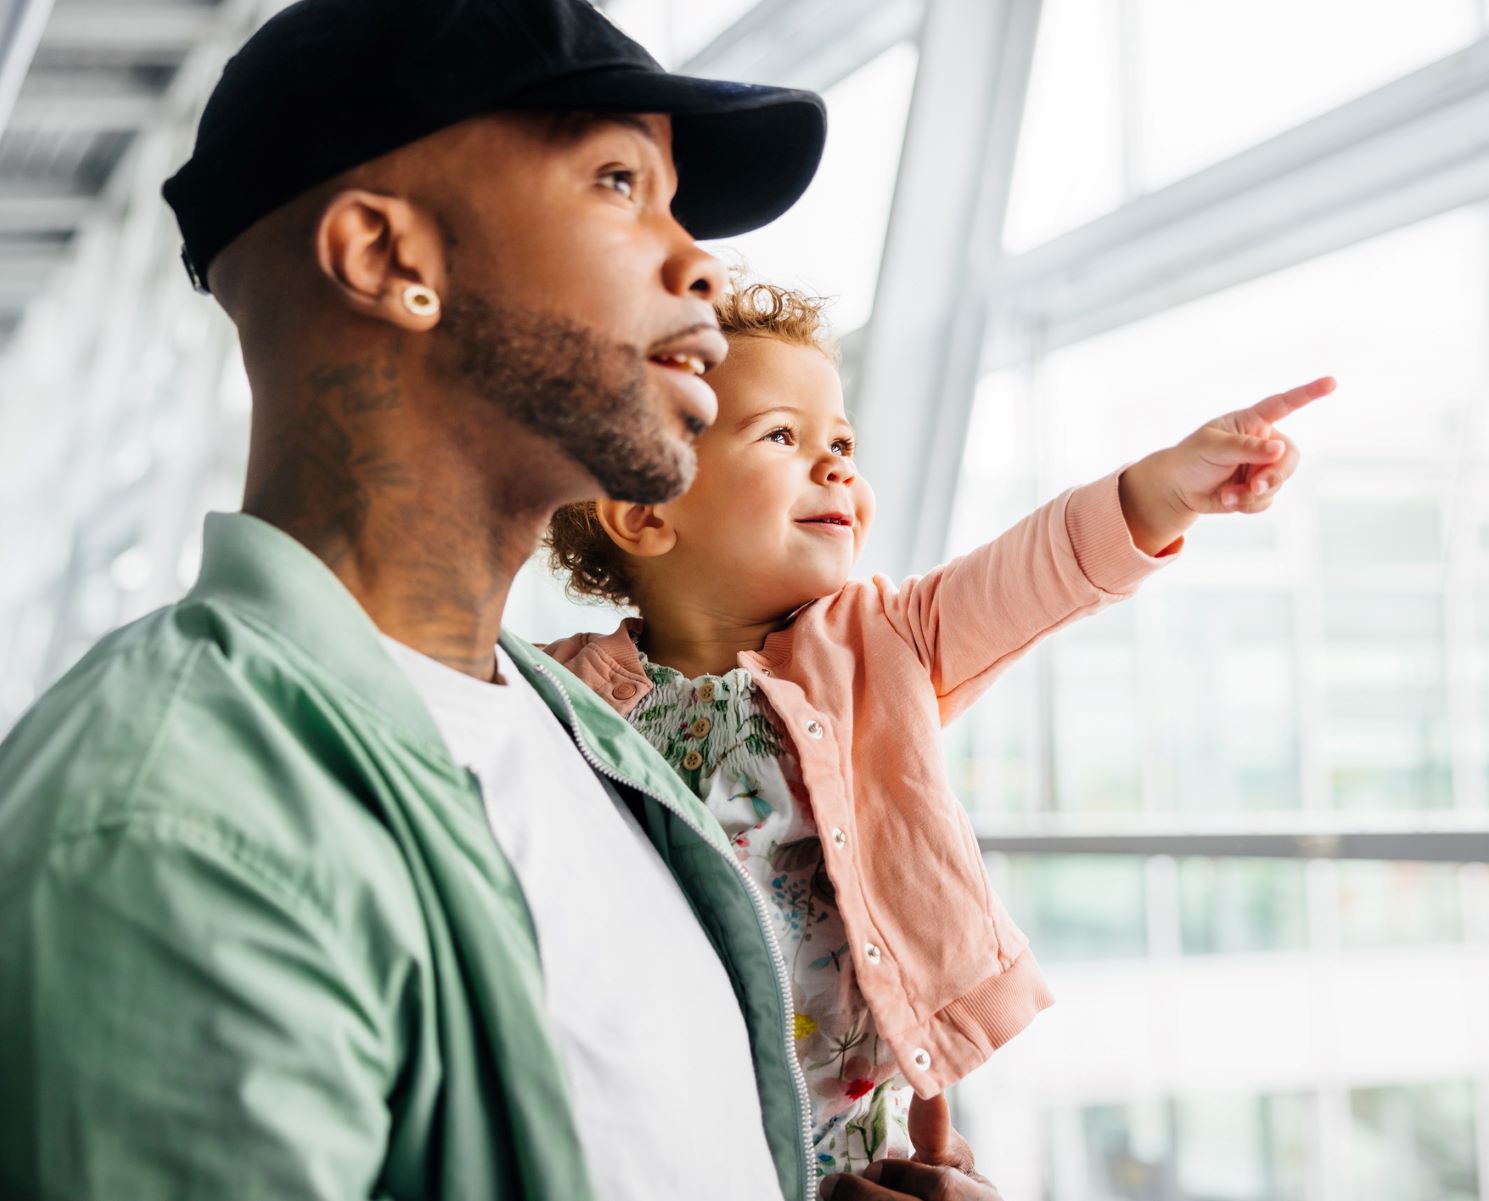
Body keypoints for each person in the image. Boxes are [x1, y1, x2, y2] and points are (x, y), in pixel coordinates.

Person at [0, 1, 987, 1198]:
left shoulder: (582, 740)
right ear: (387, 259)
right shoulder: (176, 830)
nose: (702, 266)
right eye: (621, 181)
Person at [539, 280, 1335, 1197]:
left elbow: (1039, 571)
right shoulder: (558, 691)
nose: (837, 465)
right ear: (646, 510)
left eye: (841, 442)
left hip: (838, 1131)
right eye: (781, 438)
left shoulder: (884, 640)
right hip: (649, 1122)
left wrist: (1163, 490)